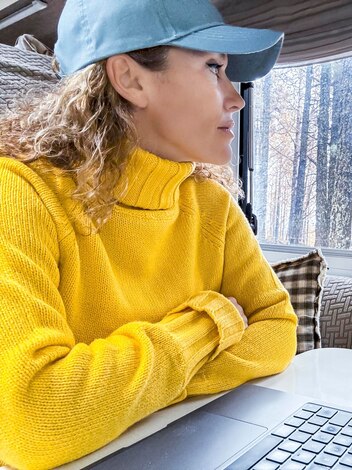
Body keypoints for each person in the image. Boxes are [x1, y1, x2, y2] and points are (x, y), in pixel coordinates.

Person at [0, 1, 297, 469]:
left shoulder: (212, 206)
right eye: (213, 68)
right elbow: (32, 421)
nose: (235, 97)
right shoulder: (21, 195)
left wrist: (120, 393)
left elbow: (278, 332)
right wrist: (212, 322)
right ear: (131, 78)